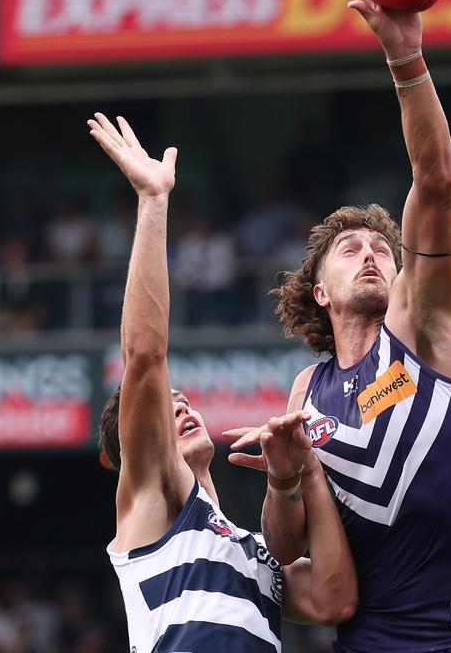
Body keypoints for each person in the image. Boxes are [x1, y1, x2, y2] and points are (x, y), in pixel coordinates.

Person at [230, 0, 451, 651]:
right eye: (349, 249)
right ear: (321, 291)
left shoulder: (422, 329)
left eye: (383, 250)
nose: (371, 256)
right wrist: (283, 475)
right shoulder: (309, 393)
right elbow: (290, 545)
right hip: (373, 640)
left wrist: (406, 57)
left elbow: (437, 181)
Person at [86, 112, 357, 652]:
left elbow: (334, 601)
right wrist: (154, 203)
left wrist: (306, 473)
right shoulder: (151, 501)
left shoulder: (253, 552)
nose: (181, 407)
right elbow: (144, 355)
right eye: (166, 408)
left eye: (184, 400)